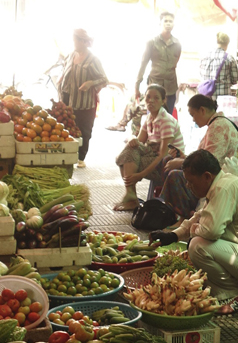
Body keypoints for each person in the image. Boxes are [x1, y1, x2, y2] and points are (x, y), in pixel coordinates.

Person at [151, 149, 238, 314]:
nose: (188, 186)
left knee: (197, 245)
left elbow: (210, 231)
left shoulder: (223, 189)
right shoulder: (221, 184)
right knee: (198, 240)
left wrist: (193, 230)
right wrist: (173, 235)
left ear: (207, 176)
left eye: (190, 182)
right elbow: (199, 217)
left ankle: (235, 295)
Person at [160, 93, 238, 218]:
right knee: (168, 159)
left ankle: (182, 216)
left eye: (193, 115)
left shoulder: (218, 126)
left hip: (215, 177)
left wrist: (181, 162)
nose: (193, 119)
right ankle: (169, 210)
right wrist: (183, 157)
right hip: (208, 172)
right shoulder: (216, 124)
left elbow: (208, 162)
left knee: (174, 175)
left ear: (202, 110)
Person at [113, 83, 185, 211]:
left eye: (156, 98)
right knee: (130, 149)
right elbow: (138, 142)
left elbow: (163, 154)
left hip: (167, 163)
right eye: (148, 97)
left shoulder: (165, 120)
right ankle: (131, 195)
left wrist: (140, 174)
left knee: (126, 159)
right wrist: (132, 138)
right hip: (153, 156)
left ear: (164, 101)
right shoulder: (149, 118)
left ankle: (131, 196)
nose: (151, 101)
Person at [57, 29, 108, 168]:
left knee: (83, 130)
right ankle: (67, 155)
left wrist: (91, 83)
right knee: (67, 127)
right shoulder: (71, 55)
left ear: (84, 42)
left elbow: (104, 79)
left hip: (85, 102)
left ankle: (81, 157)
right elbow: (65, 71)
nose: (74, 43)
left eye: (76, 40)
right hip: (67, 98)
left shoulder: (93, 60)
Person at [135, 11, 181, 115]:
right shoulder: (152, 42)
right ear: (160, 23)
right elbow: (143, 64)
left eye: (170, 21)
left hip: (171, 87)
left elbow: (175, 63)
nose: (168, 23)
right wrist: (137, 86)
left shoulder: (177, 44)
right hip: (155, 85)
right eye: (165, 21)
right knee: (152, 117)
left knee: (168, 118)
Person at [199, 32, 238, 99]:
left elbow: (202, 74)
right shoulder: (229, 58)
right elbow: (235, 79)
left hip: (206, 95)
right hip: (223, 97)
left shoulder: (205, 57)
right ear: (227, 44)